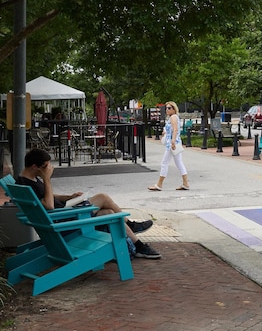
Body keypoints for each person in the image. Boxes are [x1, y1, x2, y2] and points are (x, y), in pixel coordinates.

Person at [17, 148, 161, 259]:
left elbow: (48, 197)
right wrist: (47, 179)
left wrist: (69, 197)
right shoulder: (27, 184)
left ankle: (139, 246)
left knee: (109, 213)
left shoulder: (26, 180)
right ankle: (132, 226)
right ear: (35, 166)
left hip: (60, 217)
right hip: (64, 221)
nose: (49, 169)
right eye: (46, 167)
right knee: (103, 197)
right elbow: (48, 205)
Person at [148, 101, 190, 191]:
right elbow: (172, 130)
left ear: (174, 109)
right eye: (166, 108)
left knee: (164, 163)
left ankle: (159, 184)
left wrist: (173, 141)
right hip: (172, 143)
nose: (167, 109)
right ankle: (185, 183)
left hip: (171, 144)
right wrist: (166, 132)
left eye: (169, 108)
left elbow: (175, 130)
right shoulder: (172, 118)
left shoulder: (174, 117)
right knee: (179, 163)